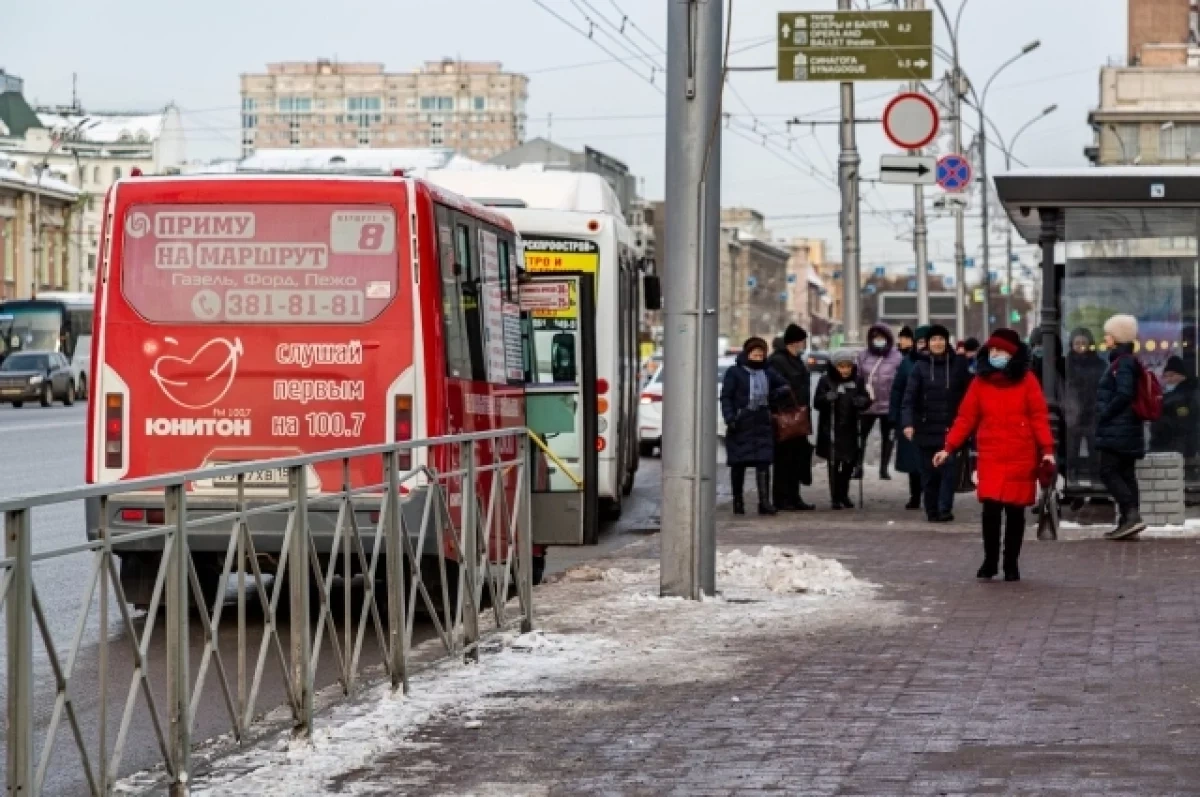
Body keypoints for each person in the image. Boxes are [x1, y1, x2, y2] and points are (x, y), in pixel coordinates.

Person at [934, 329, 1054, 582]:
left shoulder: (1028, 381)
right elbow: (966, 418)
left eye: (1000, 350)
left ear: (1012, 353)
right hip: (991, 455)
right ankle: (990, 562)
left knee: (1015, 512)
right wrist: (949, 447)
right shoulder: (980, 382)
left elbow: (1039, 418)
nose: (994, 354)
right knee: (990, 510)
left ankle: (1011, 564)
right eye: (991, 350)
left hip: (1021, 454)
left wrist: (1047, 451)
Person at [903, 324, 969, 522]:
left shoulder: (958, 365)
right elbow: (909, 398)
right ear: (928, 343)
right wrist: (907, 423)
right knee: (929, 473)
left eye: (941, 339)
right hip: (925, 428)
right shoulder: (919, 367)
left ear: (946, 341)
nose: (938, 343)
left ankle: (944, 508)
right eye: (933, 340)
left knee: (948, 471)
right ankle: (931, 509)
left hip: (950, 429)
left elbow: (967, 396)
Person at [721, 336, 790, 516]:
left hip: (762, 422)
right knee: (738, 464)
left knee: (763, 462)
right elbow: (726, 397)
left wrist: (775, 395)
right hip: (741, 422)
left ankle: (764, 502)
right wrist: (730, 417)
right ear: (747, 353)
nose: (758, 358)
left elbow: (785, 386)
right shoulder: (734, 372)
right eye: (755, 354)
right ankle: (738, 501)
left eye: (761, 355)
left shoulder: (768, 372)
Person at [1094, 314, 1147, 539]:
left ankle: (1131, 515)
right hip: (1126, 427)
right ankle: (1128, 521)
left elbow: (1124, 393)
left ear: (1116, 337)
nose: (1105, 338)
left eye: (1108, 334)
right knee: (1125, 473)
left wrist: (1106, 413)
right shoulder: (1125, 360)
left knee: (1108, 471)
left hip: (1119, 427)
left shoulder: (1123, 362)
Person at [815, 349, 872, 509]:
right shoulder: (826, 381)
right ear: (835, 367)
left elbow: (866, 399)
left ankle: (843, 493)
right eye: (841, 366)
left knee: (849, 463)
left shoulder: (858, 380)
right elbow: (817, 402)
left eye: (848, 366)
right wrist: (827, 398)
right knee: (834, 464)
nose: (845, 370)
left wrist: (862, 401)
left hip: (851, 428)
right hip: (831, 429)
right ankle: (835, 496)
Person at [768, 325, 815, 511]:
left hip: (799, 418)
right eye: (801, 341)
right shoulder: (777, 361)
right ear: (794, 342)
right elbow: (774, 388)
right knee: (783, 460)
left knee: (797, 458)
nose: (803, 344)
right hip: (785, 418)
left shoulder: (796, 360)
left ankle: (794, 497)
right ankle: (781, 499)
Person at [855, 324, 903, 480]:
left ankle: (883, 469)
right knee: (860, 436)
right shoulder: (863, 356)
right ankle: (858, 467)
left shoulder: (896, 356)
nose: (878, 341)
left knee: (887, 438)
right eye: (875, 337)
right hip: (867, 405)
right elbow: (858, 377)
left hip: (888, 404)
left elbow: (901, 380)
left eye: (881, 338)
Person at [890, 325, 929, 510]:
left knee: (933, 461)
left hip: (934, 418)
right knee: (914, 461)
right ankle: (915, 495)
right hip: (911, 417)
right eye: (920, 342)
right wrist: (894, 416)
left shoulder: (945, 362)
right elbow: (897, 390)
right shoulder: (907, 362)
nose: (924, 345)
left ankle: (932, 495)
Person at [1064, 327, 1106, 483]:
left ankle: (1096, 481)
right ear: (1071, 344)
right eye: (1077, 343)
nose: (1080, 346)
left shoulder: (1099, 364)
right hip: (1072, 414)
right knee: (1072, 451)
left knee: (1095, 451)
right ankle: (1072, 480)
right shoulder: (1066, 364)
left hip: (1092, 414)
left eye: (1083, 342)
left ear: (1090, 344)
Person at [1151, 355, 1199, 466]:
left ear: (1182, 375)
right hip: (1173, 449)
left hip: (1179, 450)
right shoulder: (1171, 396)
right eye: (1166, 377)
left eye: (1171, 376)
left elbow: (1184, 423)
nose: (1168, 380)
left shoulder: (1185, 396)